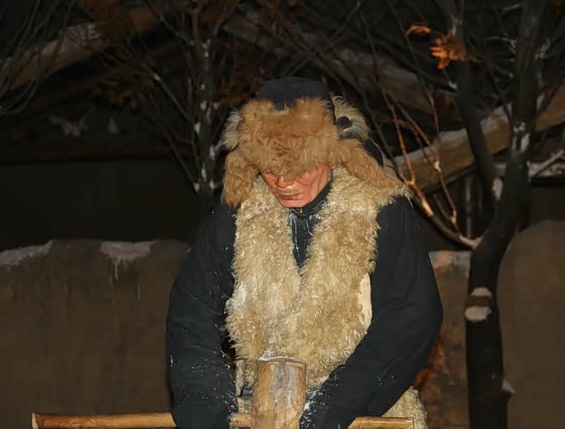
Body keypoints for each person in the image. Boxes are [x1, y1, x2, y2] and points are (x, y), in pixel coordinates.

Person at [166, 77, 443, 429]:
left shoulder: (379, 209)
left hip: (359, 414)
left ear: (332, 151)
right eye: (270, 168)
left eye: (298, 168)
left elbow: (409, 315)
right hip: (260, 410)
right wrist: (205, 400)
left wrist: (336, 406)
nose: (283, 182)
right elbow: (193, 308)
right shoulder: (239, 213)